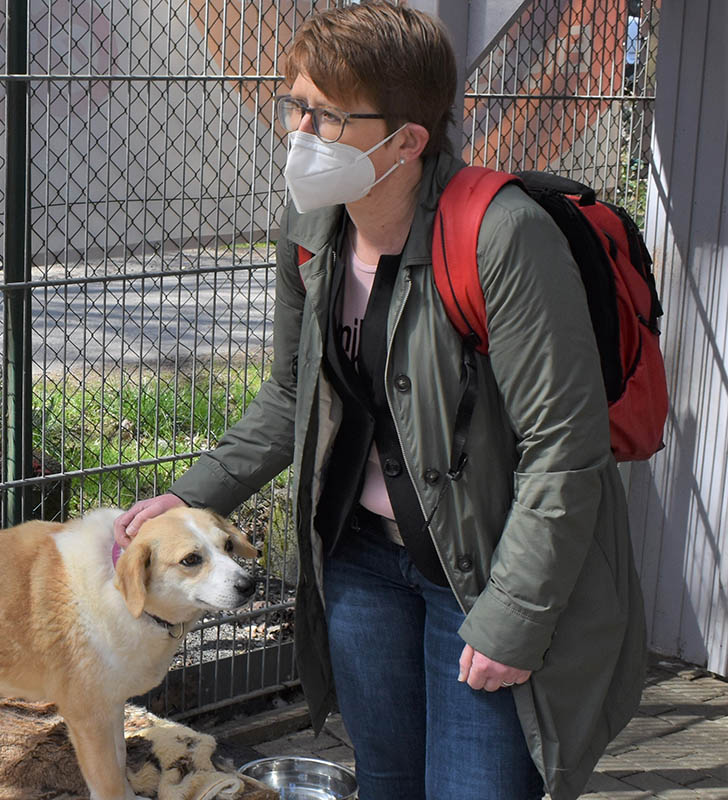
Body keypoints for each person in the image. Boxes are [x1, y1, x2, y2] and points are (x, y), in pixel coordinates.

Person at [113, 4, 646, 800]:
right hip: (361, 560)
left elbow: (564, 451)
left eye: (327, 116)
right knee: (388, 782)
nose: (300, 132)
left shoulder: (503, 237)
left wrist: (515, 619)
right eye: (295, 105)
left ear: (407, 140)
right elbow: (293, 394)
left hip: (481, 575)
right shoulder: (311, 224)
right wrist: (192, 496)